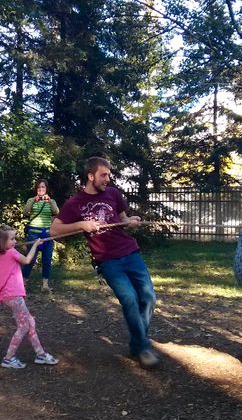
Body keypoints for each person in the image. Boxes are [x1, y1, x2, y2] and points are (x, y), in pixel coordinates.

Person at [50, 156, 160, 369]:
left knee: (148, 297)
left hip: (130, 252)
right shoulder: (75, 203)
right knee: (129, 299)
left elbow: (122, 220)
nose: (108, 179)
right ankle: (143, 348)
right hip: (108, 261)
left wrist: (130, 221)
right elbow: (54, 231)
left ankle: (138, 344)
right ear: (91, 176)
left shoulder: (113, 194)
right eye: (104, 175)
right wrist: (81, 224)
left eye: (109, 174)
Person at [0, 225, 59, 369]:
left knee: (30, 322)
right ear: (1, 241)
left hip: (8, 295)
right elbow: (27, 260)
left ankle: (40, 354)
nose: (15, 241)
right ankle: (8, 358)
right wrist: (35, 245)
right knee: (24, 325)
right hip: (14, 295)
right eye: (12, 239)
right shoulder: (11, 252)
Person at [21, 179, 59, 292]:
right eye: (39, 187)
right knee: (30, 259)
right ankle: (22, 283)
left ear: (46, 189)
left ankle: (45, 285)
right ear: (36, 189)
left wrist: (50, 201)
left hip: (47, 234)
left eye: (43, 187)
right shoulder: (31, 200)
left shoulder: (51, 201)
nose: (41, 189)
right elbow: (25, 212)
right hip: (33, 233)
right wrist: (33, 200)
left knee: (47, 260)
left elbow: (56, 212)